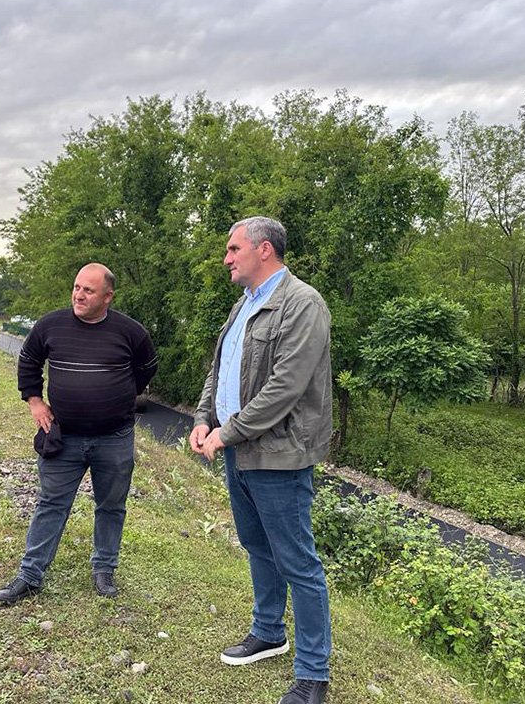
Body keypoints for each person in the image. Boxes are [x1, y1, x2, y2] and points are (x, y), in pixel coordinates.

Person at [188, 216, 332, 704]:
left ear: (264, 249)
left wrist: (226, 432)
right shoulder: (244, 305)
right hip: (239, 449)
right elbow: (219, 371)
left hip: (279, 454)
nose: (226, 258)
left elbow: (284, 389)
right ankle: (269, 632)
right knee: (257, 545)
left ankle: (313, 674)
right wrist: (203, 418)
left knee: (297, 561)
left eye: (233, 249)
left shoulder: (303, 303)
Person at [0, 263, 157, 604]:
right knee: (51, 503)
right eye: (77, 287)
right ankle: (30, 575)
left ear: (108, 297)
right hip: (62, 435)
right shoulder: (50, 325)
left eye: (88, 290)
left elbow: (146, 368)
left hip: (114, 438)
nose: (78, 295)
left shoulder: (131, 332)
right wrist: (35, 401)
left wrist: (118, 395)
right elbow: (29, 360)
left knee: (111, 506)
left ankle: (104, 569)